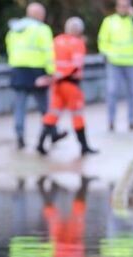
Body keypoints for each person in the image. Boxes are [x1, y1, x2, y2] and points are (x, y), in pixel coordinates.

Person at [5, 2, 65, 150]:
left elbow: (9, 49)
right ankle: (52, 132)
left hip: (18, 70)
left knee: (20, 106)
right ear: (38, 14)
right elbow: (48, 52)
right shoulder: (42, 29)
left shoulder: (14, 30)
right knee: (44, 105)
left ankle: (20, 136)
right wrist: (51, 72)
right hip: (37, 71)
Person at [36, 17, 98, 157]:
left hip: (57, 84)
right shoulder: (78, 43)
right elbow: (76, 66)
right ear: (79, 30)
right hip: (70, 84)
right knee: (77, 115)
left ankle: (40, 144)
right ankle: (84, 146)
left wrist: (52, 77)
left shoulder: (56, 41)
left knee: (53, 113)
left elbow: (50, 60)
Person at [98, 0, 133, 131]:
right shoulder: (109, 21)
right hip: (114, 63)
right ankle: (111, 121)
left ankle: (132, 121)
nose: (123, 8)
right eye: (120, 6)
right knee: (112, 91)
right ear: (116, 7)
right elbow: (102, 40)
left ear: (130, 7)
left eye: (125, 6)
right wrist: (107, 54)